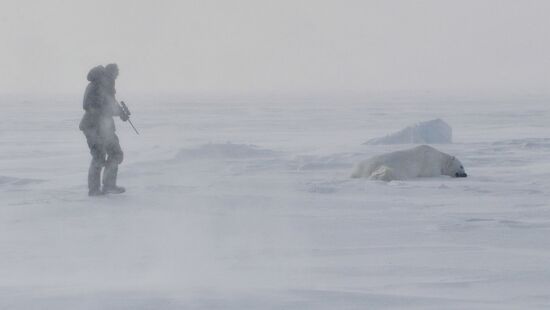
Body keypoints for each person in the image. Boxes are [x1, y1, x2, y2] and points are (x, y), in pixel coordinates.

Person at [79, 64, 128, 196]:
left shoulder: (107, 87)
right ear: (110, 72)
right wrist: (110, 112)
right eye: (116, 73)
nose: (117, 76)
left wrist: (121, 113)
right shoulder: (95, 85)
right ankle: (94, 190)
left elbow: (111, 105)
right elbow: (88, 106)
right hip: (93, 126)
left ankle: (109, 185)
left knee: (116, 153)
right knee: (99, 156)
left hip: (105, 127)